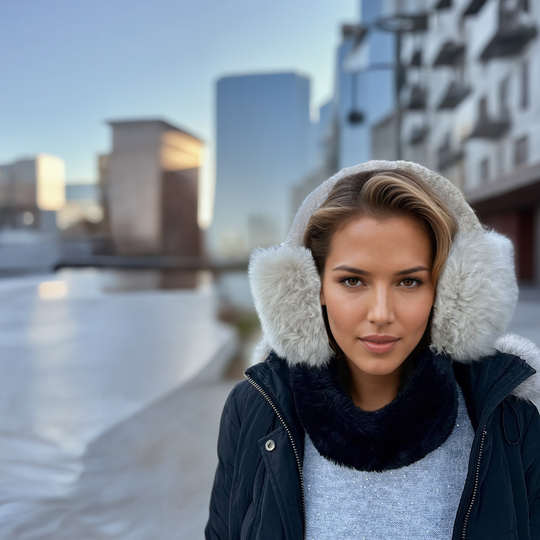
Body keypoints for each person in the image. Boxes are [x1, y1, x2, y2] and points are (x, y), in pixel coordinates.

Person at [205, 161, 540, 540]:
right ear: (310, 289)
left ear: (448, 294)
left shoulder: (510, 422)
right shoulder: (253, 410)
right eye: (352, 280)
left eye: (409, 281)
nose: (381, 314)